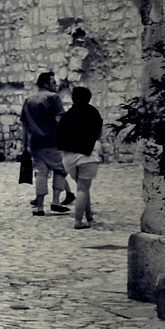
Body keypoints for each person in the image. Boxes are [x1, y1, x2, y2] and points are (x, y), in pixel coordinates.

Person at [20, 71, 69, 214]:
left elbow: (24, 125)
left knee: (41, 173)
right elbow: (59, 120)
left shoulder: (29, 100)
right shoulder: (53, 98)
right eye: (53, 82)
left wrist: (25, 146)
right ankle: (55, 201)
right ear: (46, 83)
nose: (56, 85)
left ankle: (40, 207)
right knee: (60, 170)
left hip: (35, 143)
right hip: (53, 141)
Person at [57, 85, 105, 227]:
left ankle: (89, 216)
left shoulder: (66, 116)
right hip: (86, 155)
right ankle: (78, 220)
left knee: (81, 187)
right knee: (83, 188)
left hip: (68, 158)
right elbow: (98, 133)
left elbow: (59, 137)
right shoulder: (93, 113)